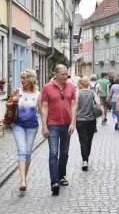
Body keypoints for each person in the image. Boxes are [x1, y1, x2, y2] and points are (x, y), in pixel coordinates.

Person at [41, 64, 78, 195]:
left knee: (65, 153)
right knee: (53, 153)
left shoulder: (71, 87)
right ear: (56, 74)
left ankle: (61, 175)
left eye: (66, 74)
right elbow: (44, 107)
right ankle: (54, 181)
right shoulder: (47, 88)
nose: (65, 77)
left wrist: (73, 123)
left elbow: (73, 106)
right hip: (52, 124)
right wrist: (44, 126)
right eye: (62, 74)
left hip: (67, 124)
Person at [6, 69, 41, 192]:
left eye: (24, 78)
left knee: (28, 153)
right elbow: (8, 105)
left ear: (31, 79)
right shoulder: (17, 91)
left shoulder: (38, 94)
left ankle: (24, 177)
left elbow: (42, 111)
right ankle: (22, 180)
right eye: (21, 78)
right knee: (22, 150)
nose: (22, 80)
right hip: (18, 125)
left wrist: (47, 126)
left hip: (32, 126)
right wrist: (13, 101)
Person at [76, 76, 101, 171]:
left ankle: (84, 160)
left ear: (81, 83)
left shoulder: (77, 92)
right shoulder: (92, 92)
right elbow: (98, 102)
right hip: (91, 120)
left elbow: (75, 105)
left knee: (83, 141)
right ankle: (86, 159)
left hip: (80, 120)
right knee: (89, 140)